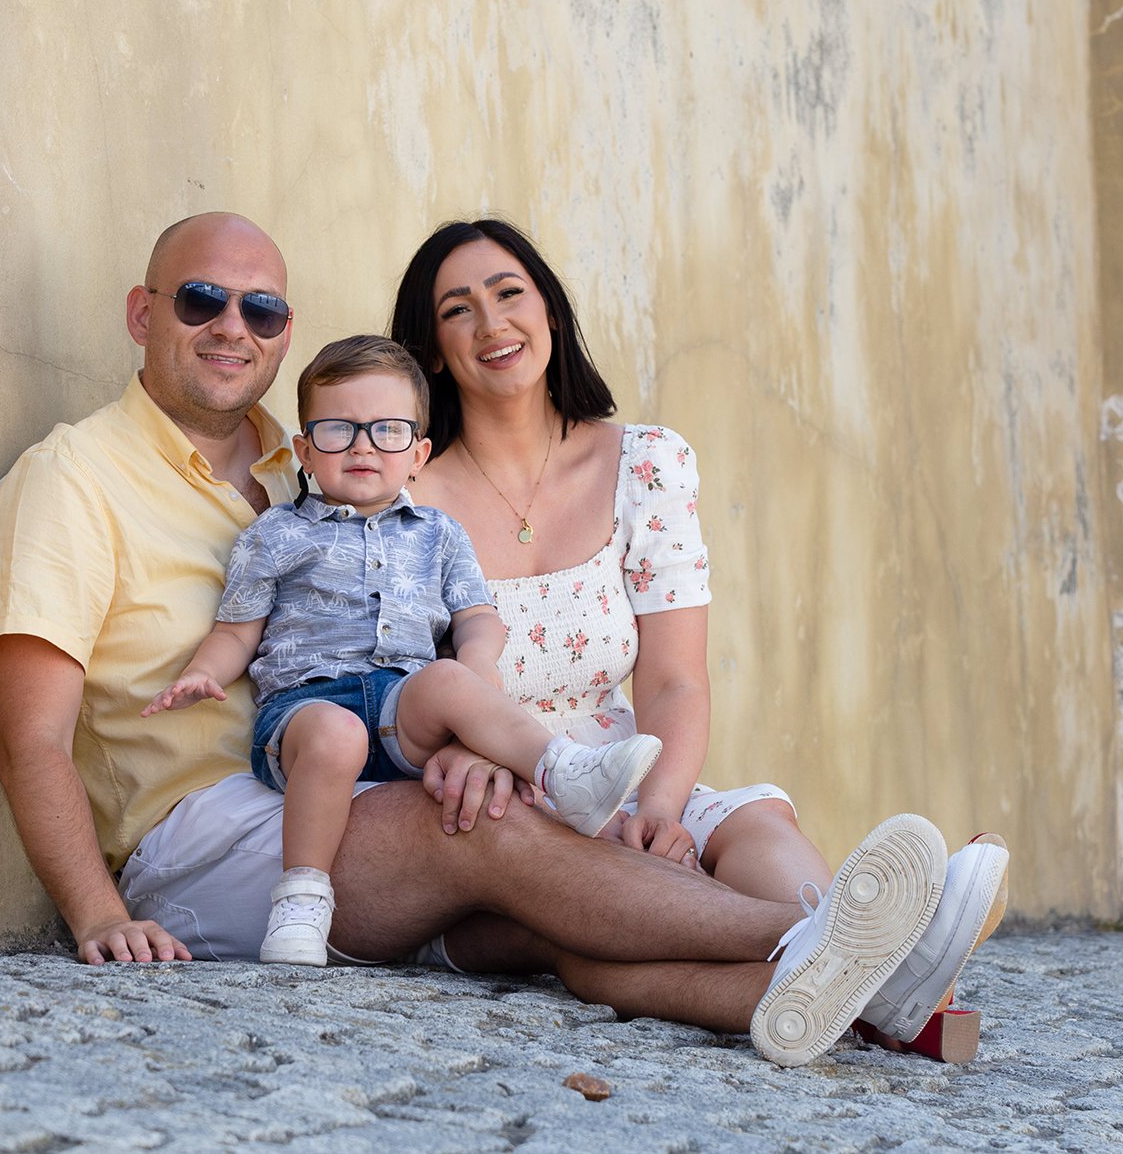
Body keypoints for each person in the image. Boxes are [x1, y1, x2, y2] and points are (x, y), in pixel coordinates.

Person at [0, 210, 954, 1069]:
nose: (232, 328)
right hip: (204, 835)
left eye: (261, 310)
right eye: (201, 301)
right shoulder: (71, 479)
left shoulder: (305, 465)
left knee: (542, 916)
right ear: (143, 315)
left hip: (355, 788)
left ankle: (841, 1004)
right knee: (488, 829)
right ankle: (823, 940)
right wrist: (99, 913)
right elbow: (31, 737)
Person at [388, 217, 1012, 1062]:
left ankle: (874, 953)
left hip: (629, 763)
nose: (492, 325)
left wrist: (660, 807)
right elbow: (399, 685)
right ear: (430, 350)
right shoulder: (403, 496)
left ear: (553, 315)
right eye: (457, 310)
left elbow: (676, 679)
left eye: (510, 295)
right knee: (594, 929)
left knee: (751, 821)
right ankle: (898, 969)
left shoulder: (645, 463)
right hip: (503, 795)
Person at [144, 334, 664, 966]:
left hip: (400, 703)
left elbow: (479, 620)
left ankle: (562, 769)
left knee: (446, 679)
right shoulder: (275, 535)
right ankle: (302, 903)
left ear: (417, 454)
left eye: (387, 431)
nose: (363, 445)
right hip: (306, 713)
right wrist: (203, 673)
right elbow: (237, 632)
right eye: (338, 430)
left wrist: (473, 674)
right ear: (305, 451)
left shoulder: (439, 535)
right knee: (336, 735)